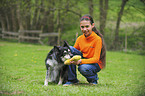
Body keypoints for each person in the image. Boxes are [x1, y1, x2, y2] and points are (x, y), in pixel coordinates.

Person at [63, 15, 106, 86]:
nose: (84, 29)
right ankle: (72, 79)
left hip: (95, 63)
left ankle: (93, 79)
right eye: (82, 27)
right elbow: (73, 52)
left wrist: (80, 61)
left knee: (83, 68)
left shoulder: (97, 39)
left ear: (92, 25)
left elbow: (96, 59)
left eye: (87, 26)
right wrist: (71, 60)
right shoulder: (80, 38)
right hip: (85, 60)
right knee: (70, 49)